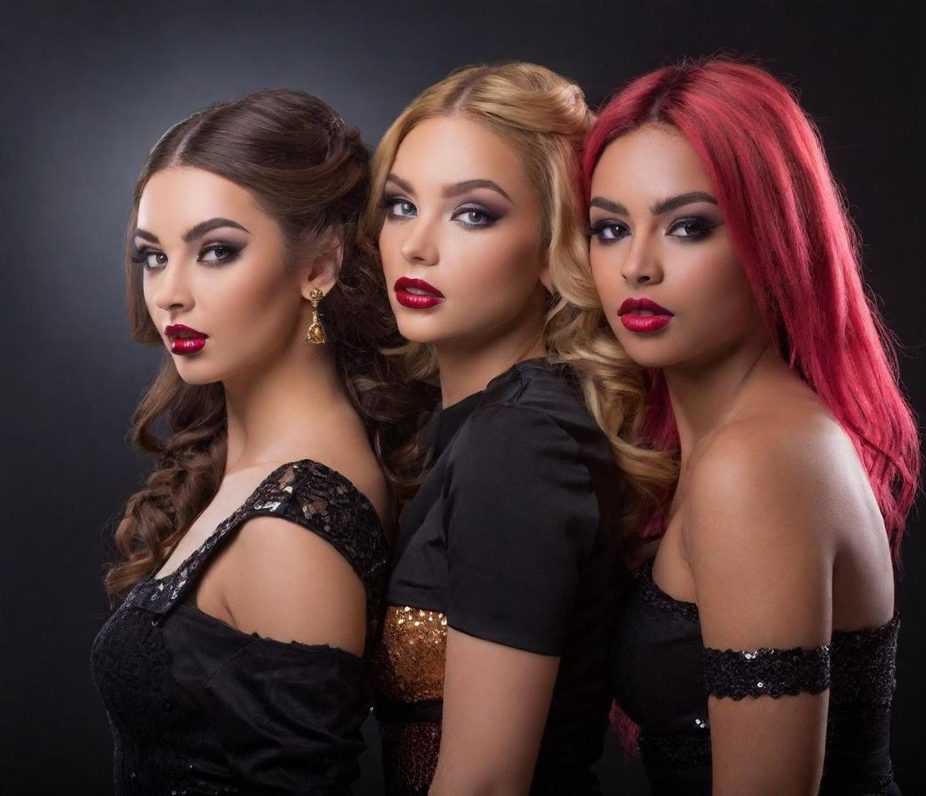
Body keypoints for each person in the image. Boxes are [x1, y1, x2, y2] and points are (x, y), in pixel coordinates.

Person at [552, 59, 921, 794]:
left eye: (688, 227)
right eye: (610, 228)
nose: (637, 267)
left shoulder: (759, 461)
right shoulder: (739, 442)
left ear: (775, 236)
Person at [91, 89, 410, 793]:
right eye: (152, 256)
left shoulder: (292, 528)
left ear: (318, 267)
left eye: (216, 251)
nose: (168, 293)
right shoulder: (261, 473)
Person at [367, 63, 623, 795]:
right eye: (401, 205)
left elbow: (483, 783)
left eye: (472, 213)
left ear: (554, 246)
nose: (416, 246)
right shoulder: (460, 426)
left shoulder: (522, 441)